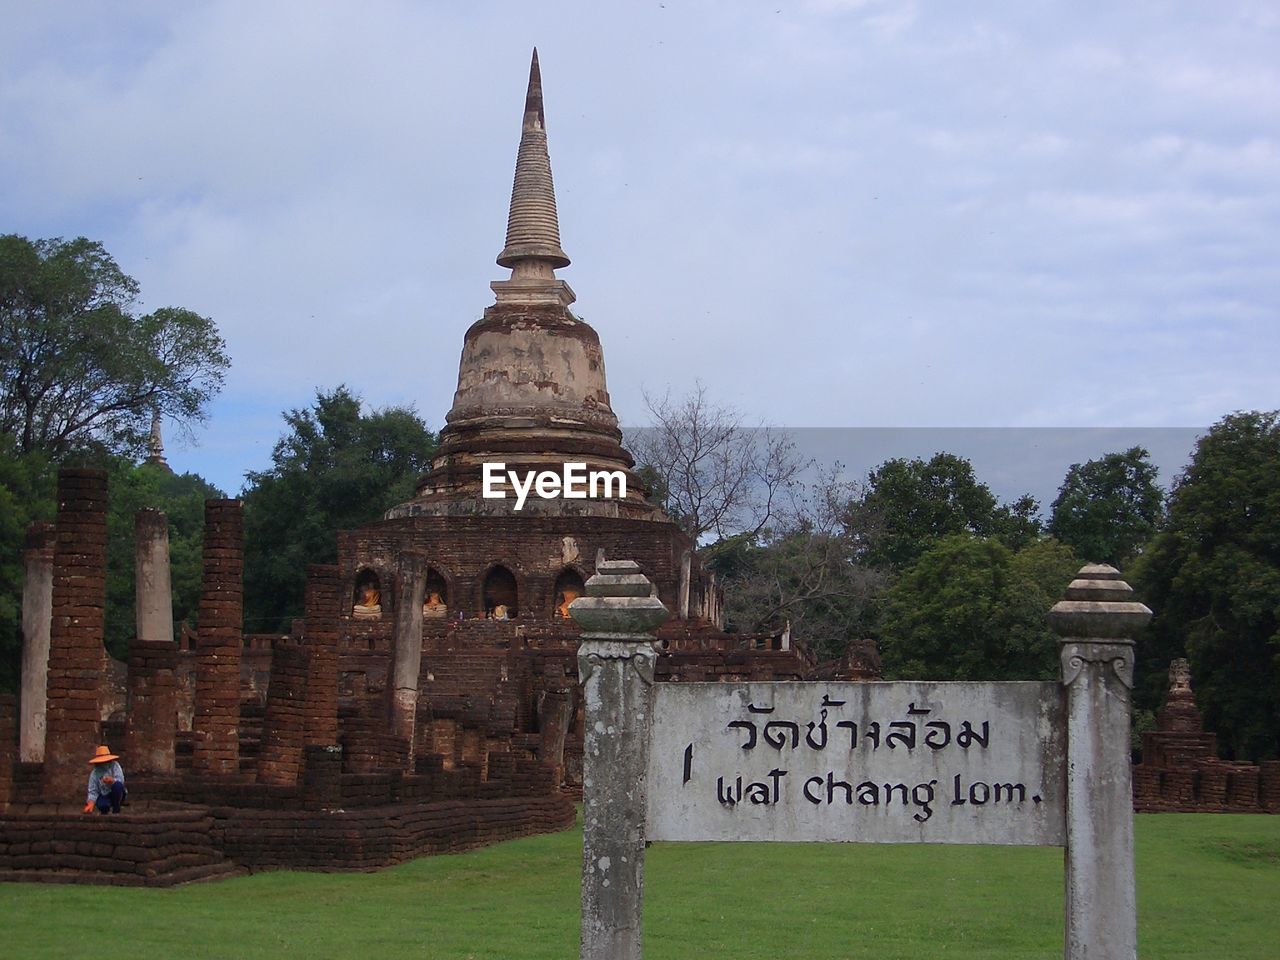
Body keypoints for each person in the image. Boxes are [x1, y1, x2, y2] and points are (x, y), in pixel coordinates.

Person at [83, 745, 126, 814]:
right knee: (102, 805)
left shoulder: (115, 766)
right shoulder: (94, 774)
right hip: (104, 794)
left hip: (115, 792)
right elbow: (93, 791)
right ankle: (105, 810)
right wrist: (90, 803)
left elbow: (121, 780)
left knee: (117, 786)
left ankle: (116, 808)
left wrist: (112, 780)